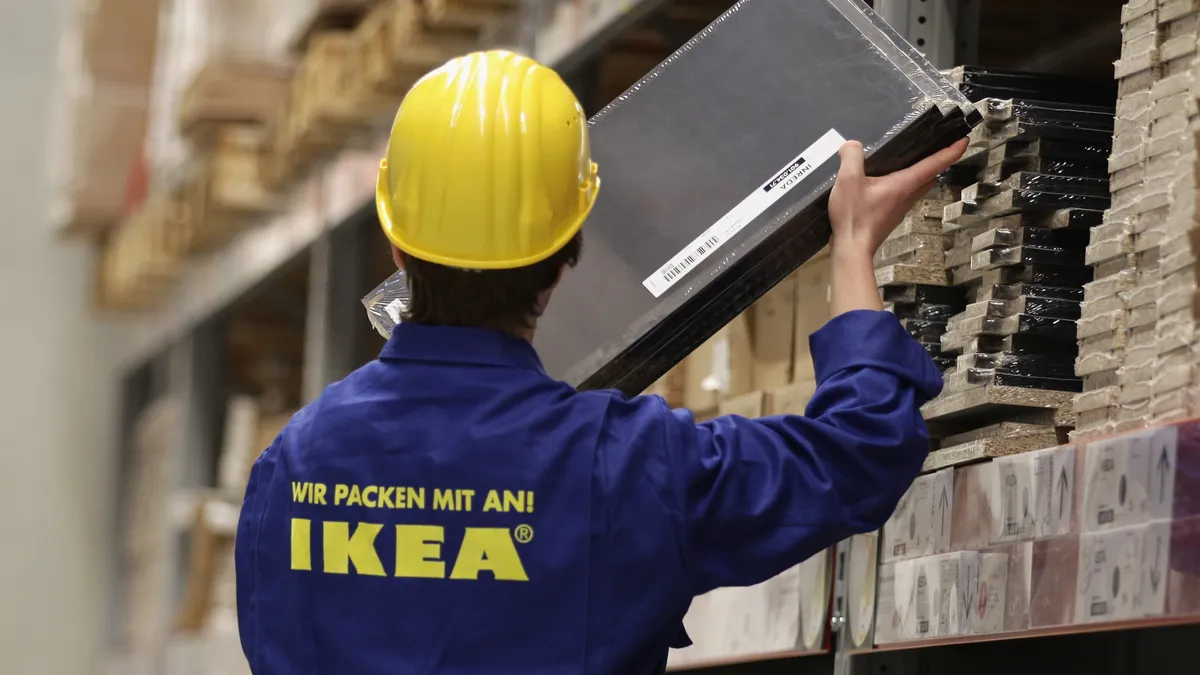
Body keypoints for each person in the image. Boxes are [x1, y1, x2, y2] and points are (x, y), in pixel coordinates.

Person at [235, 50, 968, 674]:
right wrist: (851, 248)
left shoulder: (291, 468)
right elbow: (856, 454)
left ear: (397, 246)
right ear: (567, 258)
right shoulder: (626, 465)